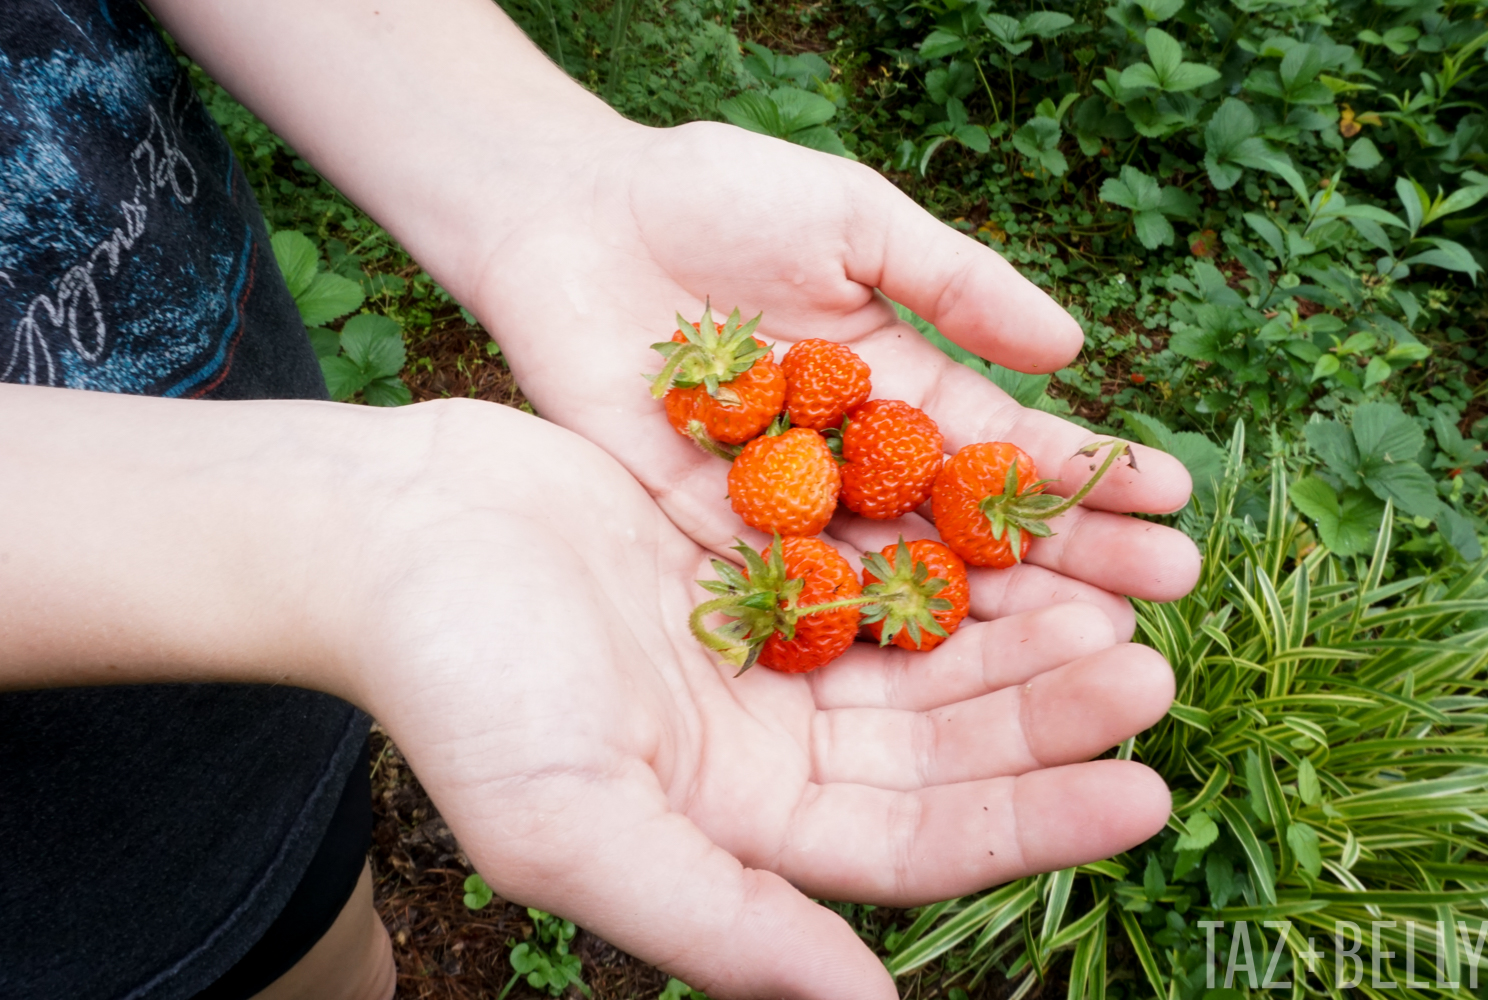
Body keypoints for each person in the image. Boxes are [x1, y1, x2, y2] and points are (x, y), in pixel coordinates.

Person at [0, 1, 1203, 998]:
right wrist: (356, 532)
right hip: (59, 873)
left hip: (280, 687)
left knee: (320, 946)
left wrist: (550, 179)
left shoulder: (815, 458)